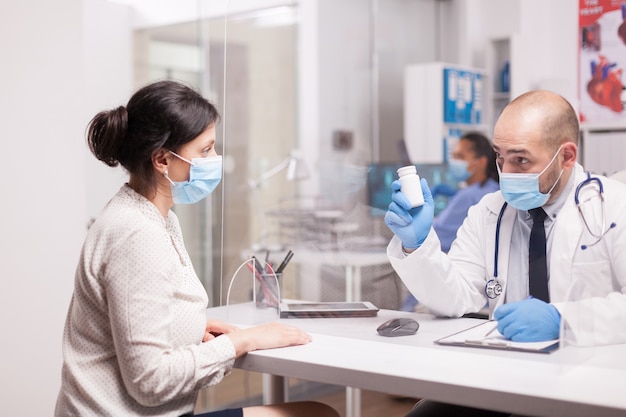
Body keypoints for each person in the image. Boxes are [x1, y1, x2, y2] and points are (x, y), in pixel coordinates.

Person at [55, 80, 340, 417]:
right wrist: (242, 342)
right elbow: (150, 381)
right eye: (205, 150)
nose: (215, 159)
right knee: (316, 415)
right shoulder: (135, 233)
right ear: (162, 159)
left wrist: (189, 327)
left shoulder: (153, 218)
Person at [384, 90, 626, 416]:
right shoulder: (489, 211)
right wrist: (416, 243)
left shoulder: (615, 206)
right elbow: (455, 297)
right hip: (506, 374)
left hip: (592, 380)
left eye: (521, 160)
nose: (506, 172)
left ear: (567, 156)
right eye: (500, 157)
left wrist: (563, 320)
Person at [400, 133, 499, 312]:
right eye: (453, 156)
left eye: (460, 157)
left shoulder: (469, 196)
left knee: (410, 310)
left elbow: (438, 235)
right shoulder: (488, 191)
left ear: (481, 162)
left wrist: (414, 230)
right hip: (479, 290)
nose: (454, 162)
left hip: (459, 285)